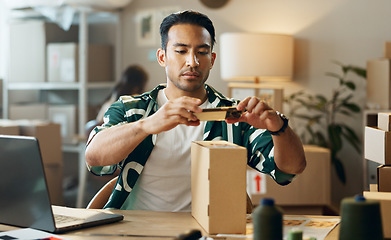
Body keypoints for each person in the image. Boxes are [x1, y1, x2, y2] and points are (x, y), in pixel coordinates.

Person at [85, 10, 306, 212]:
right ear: (162, 57)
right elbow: (95, 160)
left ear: (212, 60)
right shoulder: (131, 108)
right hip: (136, 229)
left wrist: (279, 127)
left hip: (208, 231)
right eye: (181, 51)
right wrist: (148, 124)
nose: (192, 61)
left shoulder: (236, 114)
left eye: (202, 52)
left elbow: (290, 170)